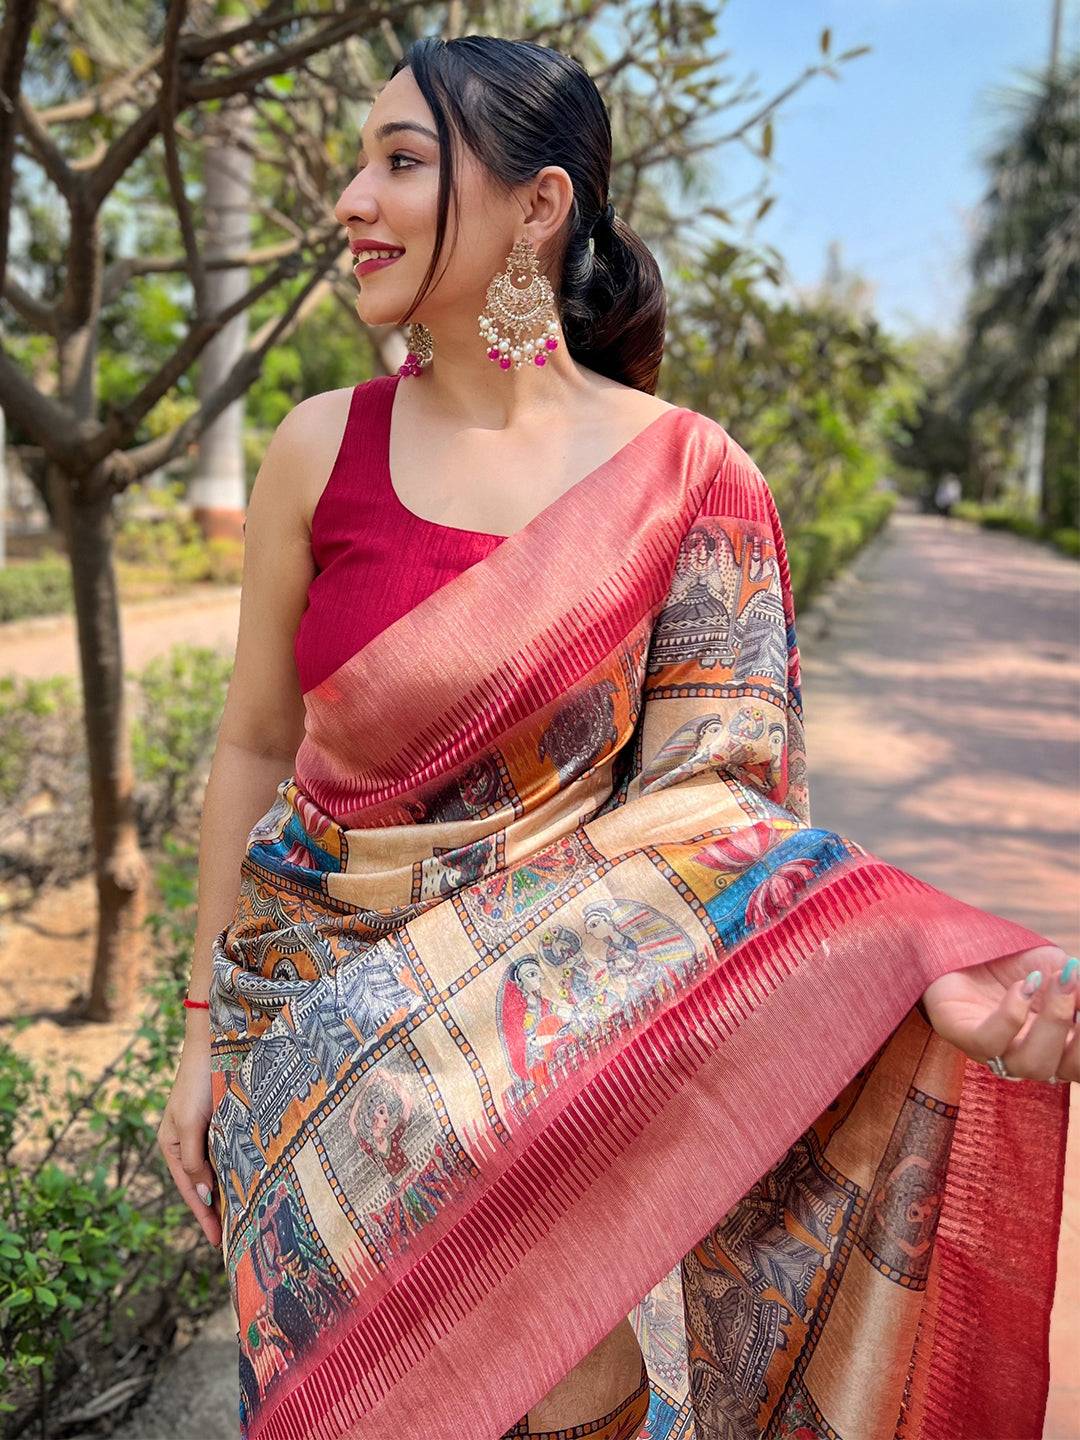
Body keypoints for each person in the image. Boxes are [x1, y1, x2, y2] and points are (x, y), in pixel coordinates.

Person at [156, 34, 1076, 1440]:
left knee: (568, 1385)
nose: (351, 197)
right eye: (359, 159)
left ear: (539, 209)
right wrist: (206, 1027)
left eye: (402, 162)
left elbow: (715, 828)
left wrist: (912, 976)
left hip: (525, 1068)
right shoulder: (313, 446)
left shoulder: (685, 480)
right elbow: (249, 747)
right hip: (301, 1041)